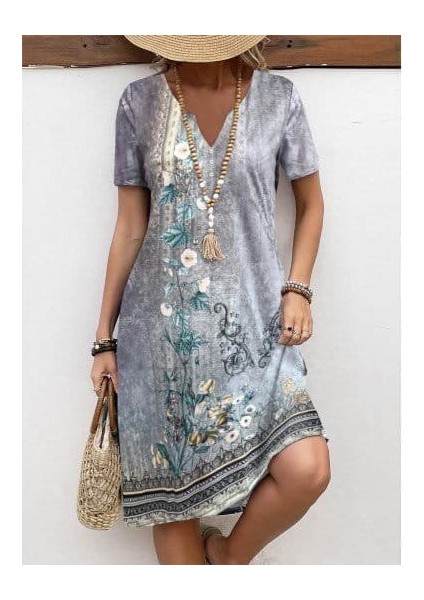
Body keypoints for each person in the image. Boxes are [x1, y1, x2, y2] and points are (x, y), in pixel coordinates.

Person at [90, 35, 331, 565]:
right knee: (175, 503)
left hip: (255, 331)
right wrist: (104, 338)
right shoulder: (139, 102)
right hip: (161, 342)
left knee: (307, 470)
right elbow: (130, 226)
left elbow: (311, 204)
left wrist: (298, 288)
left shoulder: (278, 99)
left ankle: (226, 557)